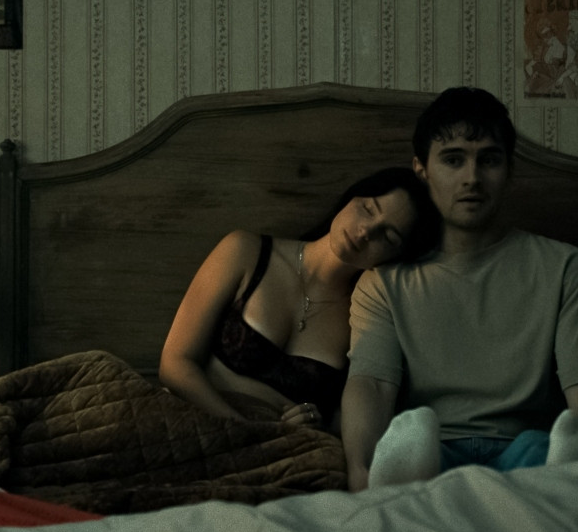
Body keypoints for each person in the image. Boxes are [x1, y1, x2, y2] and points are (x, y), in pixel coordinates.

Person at [340, 87, 578, 492]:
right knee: (418, 444)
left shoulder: (566, 268)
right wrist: (359, 468)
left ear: (509, 170)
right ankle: (405, 478)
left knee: (536, 449)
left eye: (488, 160)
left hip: (527, 449)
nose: (472, 178)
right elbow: (371, 385)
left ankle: (571, 473)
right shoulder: (384, 283)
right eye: (453, 160)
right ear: (422, 169)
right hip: (433, 447)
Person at [160, 168, 441, 433]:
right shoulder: (245, 251)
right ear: (351, 198)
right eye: (368, 209)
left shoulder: (364, 314)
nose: (366, 231)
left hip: (288, 446)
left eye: (388, 236)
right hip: (203, 421)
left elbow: (353, 415)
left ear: (395, 258)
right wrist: (244, 429)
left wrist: (316, 421)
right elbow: (175, 363)